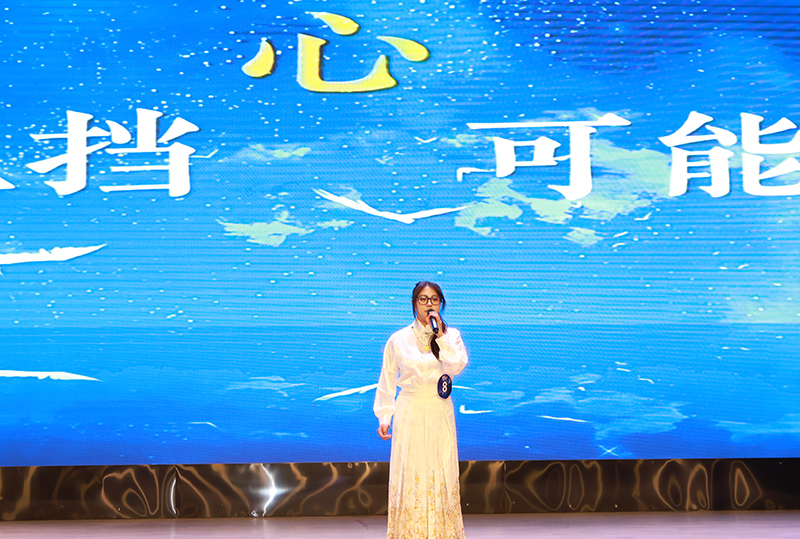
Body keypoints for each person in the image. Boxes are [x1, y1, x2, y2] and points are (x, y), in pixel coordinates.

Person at [374, 281, 468, 539]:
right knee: (411, 469)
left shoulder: (451, 336)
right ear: (414, 304)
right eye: (423, 299)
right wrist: (384, 415)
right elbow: (387, 379)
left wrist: (440, 337)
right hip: (410, 410)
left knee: (442, 467)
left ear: (441, 304)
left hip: (439, 408)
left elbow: (457, 365)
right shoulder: (398, 339)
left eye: (434, 299)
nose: (429, 304)